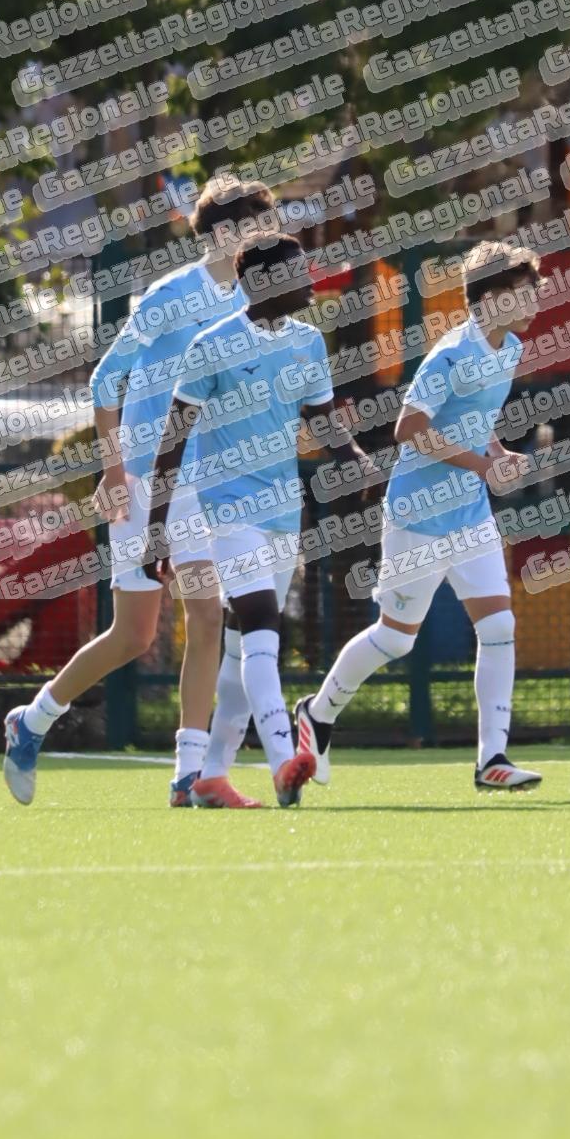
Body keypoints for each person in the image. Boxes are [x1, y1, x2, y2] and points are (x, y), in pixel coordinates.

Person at [2, 175, 275, 808]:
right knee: (134, 636)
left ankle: (189, 777)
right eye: (255, 224)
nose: (265, 235)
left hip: (203, 484)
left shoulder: (255, 302)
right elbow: (106, 381)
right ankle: (32, 720)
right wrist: (113, 471)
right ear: (223, 232)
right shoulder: (169, 296)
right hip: (144, 482)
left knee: (207, 616)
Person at [295, 239, 544, 794]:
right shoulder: (450, 355)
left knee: (499, 626)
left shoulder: (509, 348)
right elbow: (409, 428)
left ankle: (492, 759)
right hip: (419, 514)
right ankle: (317, 714)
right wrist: (483, 465)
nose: (534, 300)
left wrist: (497, 453)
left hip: (470, 513)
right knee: (396, 638)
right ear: (491, 298)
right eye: (524, 291)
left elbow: (476, 419)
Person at [143, 233, 372, 808]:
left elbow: (322, 420)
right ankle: (282, 763)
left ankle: (210, 776)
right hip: (228, 512)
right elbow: (171, 443)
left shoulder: (308, 342)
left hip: (283, 514)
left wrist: (354, 457)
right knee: (264, 626)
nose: (310, 280)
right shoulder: (211, 346)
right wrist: (156, 529)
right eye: (297, 271)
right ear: (262, 282)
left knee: (242, 649)